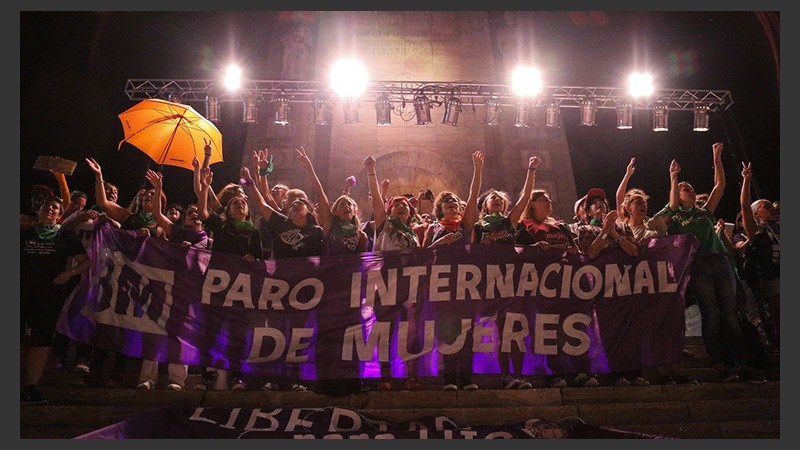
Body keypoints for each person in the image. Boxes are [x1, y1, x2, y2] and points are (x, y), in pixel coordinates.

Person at [651, 143, 765, 384]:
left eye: (691, 188)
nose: (690, 191)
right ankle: (718, 364)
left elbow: (719, 186)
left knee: (731, 314)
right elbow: (670, 205)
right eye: (685, 189)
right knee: (710, 314)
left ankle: (742, 364)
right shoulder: (674, 216)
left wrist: (716, 158)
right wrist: (674, 178)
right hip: (699, 266)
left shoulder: (704, 212)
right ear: (678, 195)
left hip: (720, 261)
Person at [240, 163, 323, 392]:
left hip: (304, 290)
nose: (296, 206)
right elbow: (262, 203)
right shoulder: (280, 223)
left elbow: (323, 261)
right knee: (275, 333)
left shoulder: (316, 232)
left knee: (298, 334)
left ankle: (295, 379)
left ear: (308, 211)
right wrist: (249, 181)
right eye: (293, 204)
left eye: (301, 204)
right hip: (278, 286)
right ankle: (271, 378)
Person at [473, 155, 540, 389]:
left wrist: (531, 170)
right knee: (498, 331)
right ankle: (503, 374)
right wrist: (478, 169)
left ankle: (519, 375)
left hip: (512, 281)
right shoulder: (478, 226)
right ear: (485, 206)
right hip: (488, 283)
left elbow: (525, 198)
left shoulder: (509, 223)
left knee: (514, 329)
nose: (498, 201)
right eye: (493, 198)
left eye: (501, 199)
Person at [514, 188, 590, 388]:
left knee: (572, 328)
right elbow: (516, 252)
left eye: (549, 200)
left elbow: (576, 249)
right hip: (541, 286)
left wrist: (574, 250)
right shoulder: (524, 227)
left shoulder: (561, 227)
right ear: (531, 204)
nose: (549, 204)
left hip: (566, 284)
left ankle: (578, 370)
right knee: (548, 329)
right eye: (543, 200)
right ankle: (553, 373)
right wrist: (534, 248)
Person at [195, 167, 262, 391]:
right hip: (217, 284)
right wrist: (204, 186)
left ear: (248, 210)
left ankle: (236, 376)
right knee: (211, 329)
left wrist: (254, 258)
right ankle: (206, 376)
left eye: (242, 202)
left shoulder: (254, 232)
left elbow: (262, 262)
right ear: (228, 209)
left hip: (241, 289)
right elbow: (203, 210)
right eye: (234, 202)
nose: (239, 203)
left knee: (238, 332)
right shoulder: (221, 225)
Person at [422, 151, 484, 391]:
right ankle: (449, 377)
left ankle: (466, 378)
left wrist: (477, 170)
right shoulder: (433, 228)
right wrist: (439, 244)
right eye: (447, 202)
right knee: (447, 330)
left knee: (467, 329)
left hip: (467, 283)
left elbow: (473, 195)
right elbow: (422, 253)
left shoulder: (467, 224)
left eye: (455, 202)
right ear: (440, 208)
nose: (452, 204)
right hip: (442, 283)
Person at [574, 187, 646, 387]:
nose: (599, 205)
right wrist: (604, 232)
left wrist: (614, 232)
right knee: (607, 331)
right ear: (587, 213)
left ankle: (633, 372)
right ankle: (615, 373)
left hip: (625, 286)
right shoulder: (585, 230)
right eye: (594, 204)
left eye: (602, 203)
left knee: (629, 329)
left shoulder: (623, 227)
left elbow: (633, 251)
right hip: (601, 289)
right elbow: (591, 254)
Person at [21, 196, 89, 404]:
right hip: (22, 292)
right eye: (47, 205)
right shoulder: (24, 233)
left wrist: (68, 274)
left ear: (60, 215)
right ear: (38, 210)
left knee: (41, 339)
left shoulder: (66, 236)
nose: (51, 209)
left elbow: (85, 262)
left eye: (56, 207)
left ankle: (30, 388)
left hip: (49, 294)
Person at [364, 155, 422, 391]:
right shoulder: (384, 225)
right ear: (390, 210)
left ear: (409, 214)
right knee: (386, 331)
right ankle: (385, 376)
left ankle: (412, 376)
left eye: (405, 207)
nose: (402, 207)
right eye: (397, 205)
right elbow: (377, 200)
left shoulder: (414, 235)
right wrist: (371, 172)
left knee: (412, 333)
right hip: (386, 282)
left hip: (409, 284)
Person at [739, 162, 780, 350]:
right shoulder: (756, 230)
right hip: (772, 277)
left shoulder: (780, 226)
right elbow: (745, 205)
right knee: (779, 312)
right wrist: (747, 180)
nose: (772, 207)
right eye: (766, 206)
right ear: (757, 213)